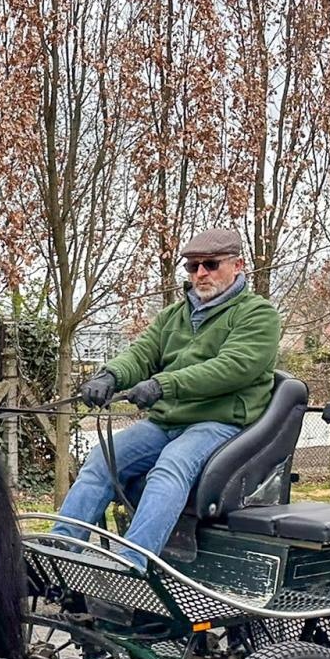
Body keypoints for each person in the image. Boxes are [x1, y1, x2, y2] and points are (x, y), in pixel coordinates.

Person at [51, 227, 280, 566]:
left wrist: (162, 385)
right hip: (166, 422)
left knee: (170, 467)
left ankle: (132, 562)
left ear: (238, 265)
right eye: (192, 266)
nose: (200, 273)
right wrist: (110, 375)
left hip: (219, 423)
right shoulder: (174, 316)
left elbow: (233, 367)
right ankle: (60, 551)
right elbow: (141, 354)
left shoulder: (257, 315)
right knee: (102, 459)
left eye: (211, 264)